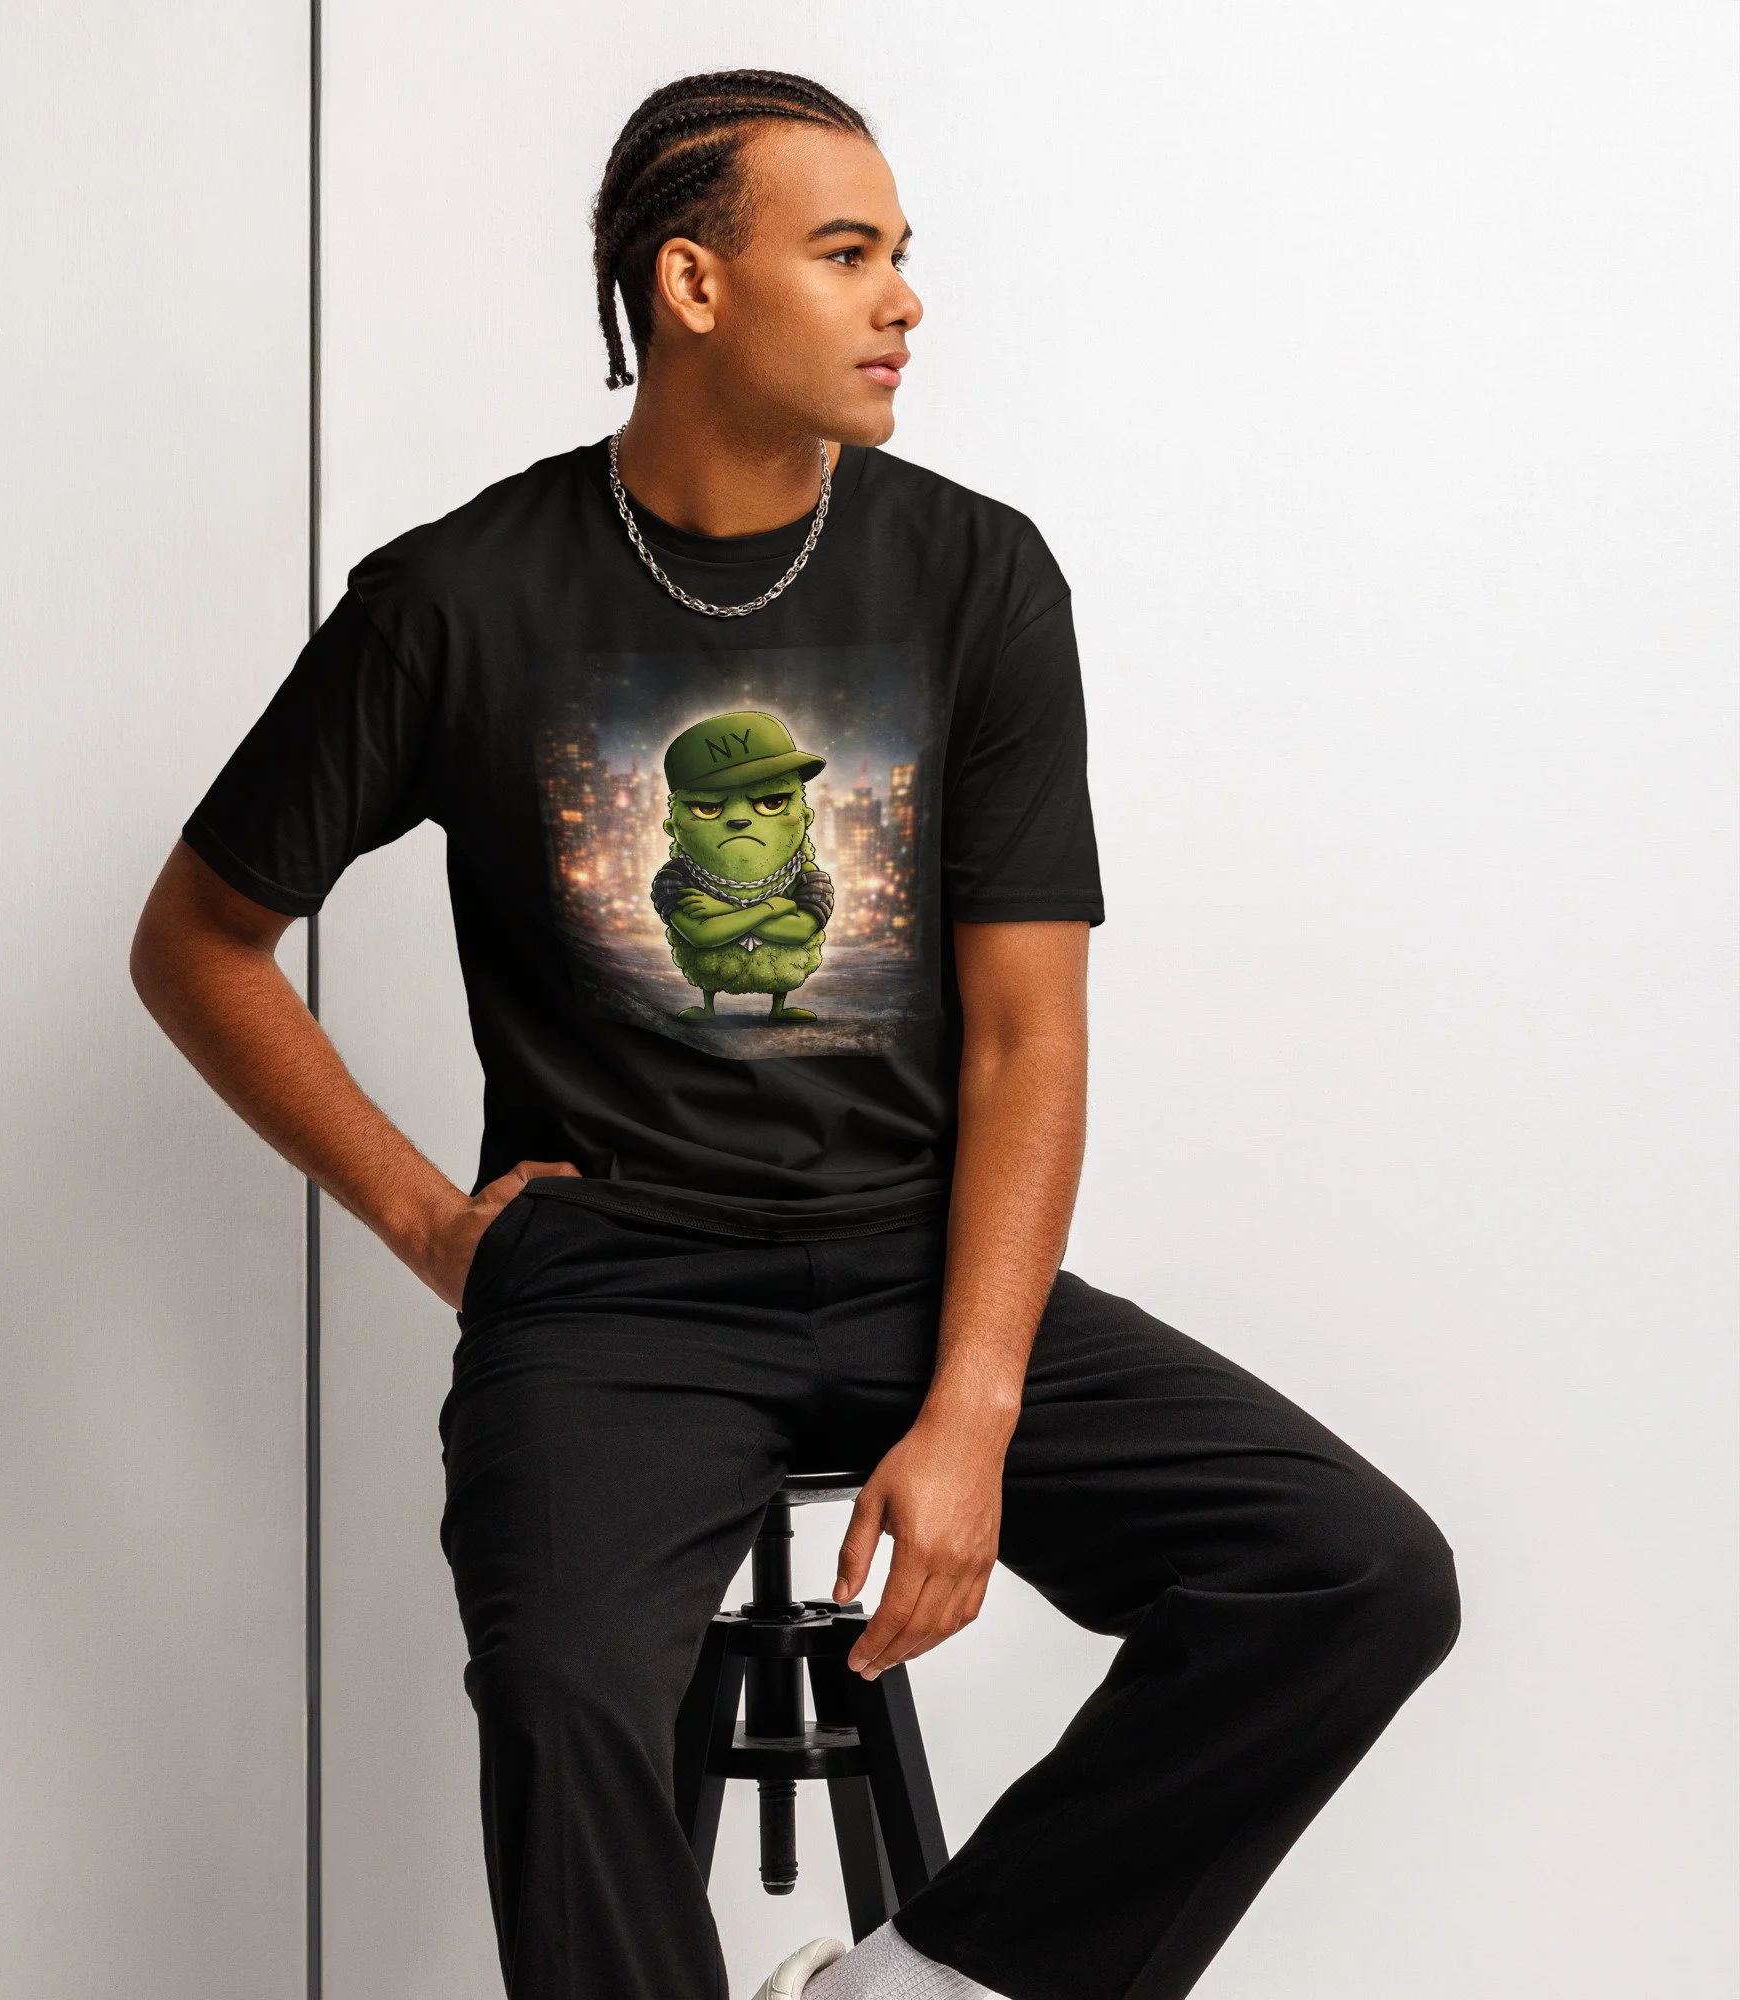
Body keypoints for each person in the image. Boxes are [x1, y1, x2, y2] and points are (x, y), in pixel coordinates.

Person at [129, 67, 1461, 2000]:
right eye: (846, 254)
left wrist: (977, 1407)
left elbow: (1027, 1039)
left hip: (922, 1260)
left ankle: (923, 1991)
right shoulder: (456, 602)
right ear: (692, 285)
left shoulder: (977, 578)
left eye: (901, 253)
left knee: (1354, 1573)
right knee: (567, 1692)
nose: (904, 298)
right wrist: (432, 1225)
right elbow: (201, 941)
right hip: (617, 1285)